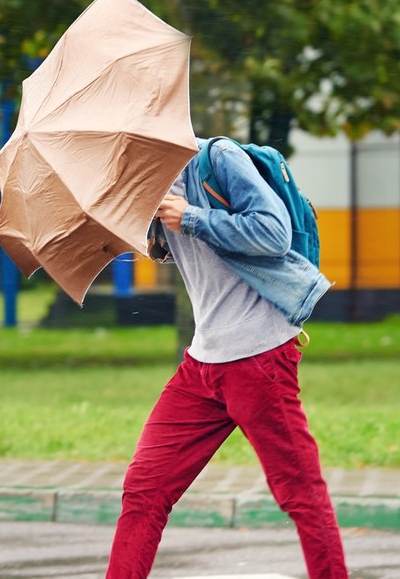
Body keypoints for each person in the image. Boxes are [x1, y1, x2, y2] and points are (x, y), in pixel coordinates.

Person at [105, 137, 347, 579]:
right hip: (203, 365)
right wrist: (150, 232)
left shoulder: (218, 159)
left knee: (300, 492)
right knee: (144, 489)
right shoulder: (146, 185)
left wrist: (191, 217)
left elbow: (273, 233)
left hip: (260, 359)